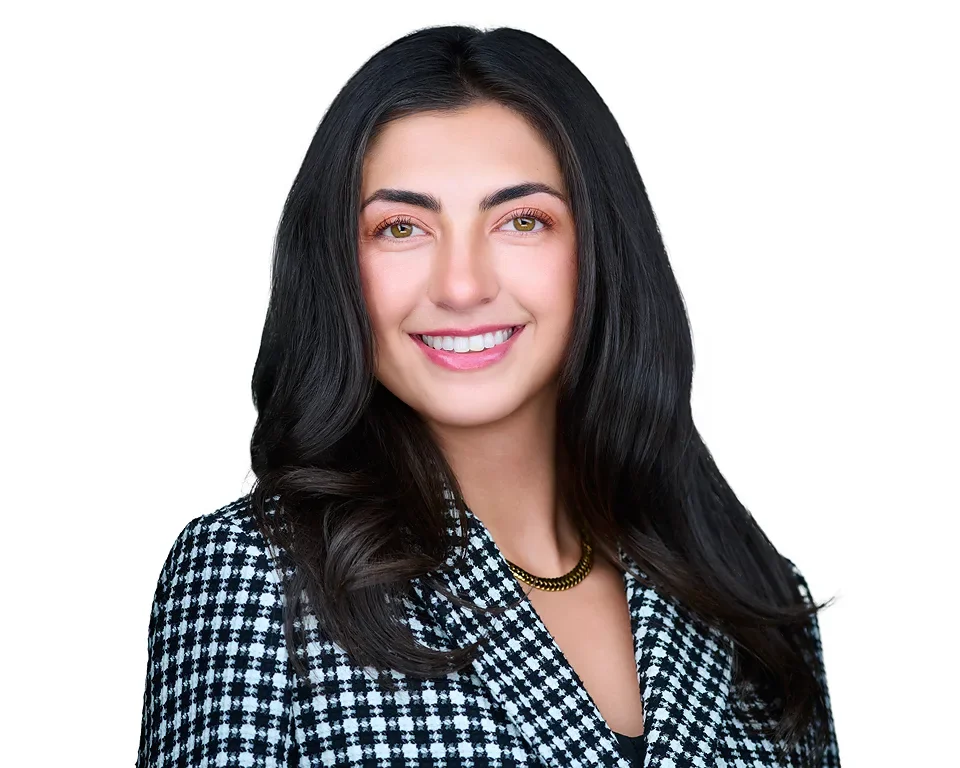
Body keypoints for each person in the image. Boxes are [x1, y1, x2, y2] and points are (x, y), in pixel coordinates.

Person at [136, 24, 840, 768]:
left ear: (599, 249)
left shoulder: (755, 599)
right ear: (337, 265)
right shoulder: (251, 574)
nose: (462, 285)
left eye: (521, 221)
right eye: (400, 227)